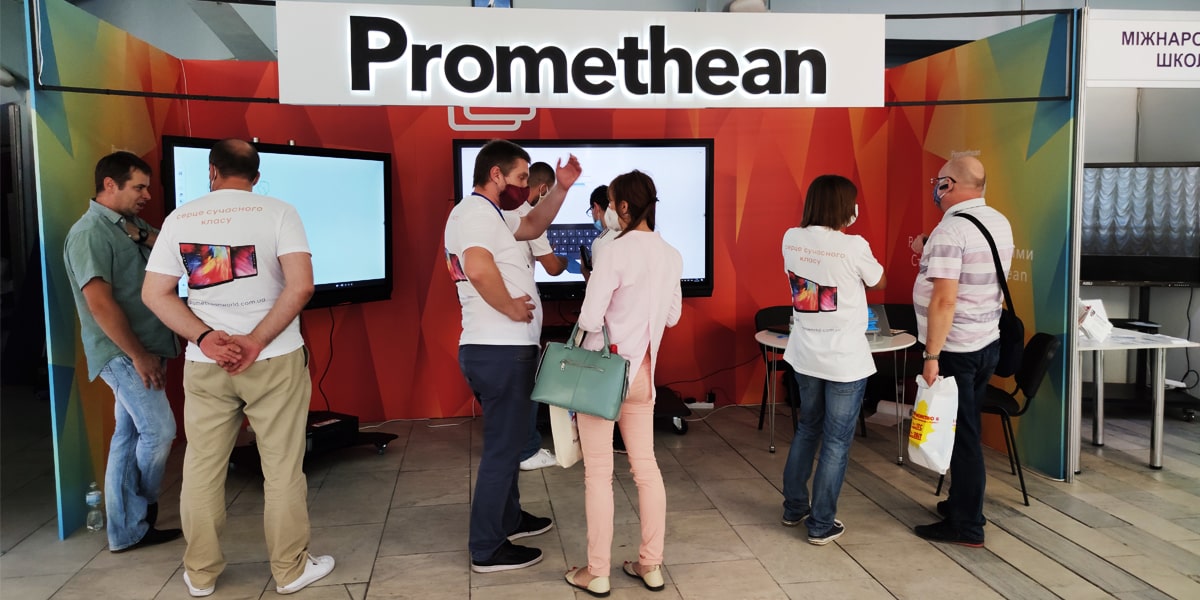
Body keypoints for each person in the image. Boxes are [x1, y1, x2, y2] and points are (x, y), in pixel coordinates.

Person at [141, 139, 335, 596]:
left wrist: (206, 338)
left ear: (211, 171)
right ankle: (290, 571)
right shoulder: (279, 212)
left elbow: (154, 293)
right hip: (274, 359)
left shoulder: (180, 218)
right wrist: (255, 340)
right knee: (282, 470)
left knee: (202, 470)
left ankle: (200, 575)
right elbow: (302, 287)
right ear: (256, 175)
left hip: (206, 363)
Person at [444, 139, 582, 573]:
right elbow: (477, 266)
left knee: (507, 443)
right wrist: (509, 307)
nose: (525, 186)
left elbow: (534, 224)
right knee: (504, 452)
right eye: (521, 177)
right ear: (496, 174)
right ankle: (487, 548)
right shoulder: (474, 214)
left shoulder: (493, 214)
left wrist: (561, 188)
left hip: (501, 350)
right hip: (498, 350)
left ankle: (509, 520)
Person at [564, 170, 681, 597]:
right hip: (644, 374)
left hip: (603, 374)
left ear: (625, 207)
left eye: (611, 203)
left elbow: (590, 318)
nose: (608, 210)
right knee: (646, 469)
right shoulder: (671, 254)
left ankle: (597, 572)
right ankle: (651, 564)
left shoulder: (613, 251)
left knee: (599, 473)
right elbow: (672, 317)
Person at [63, 151, 183, 553]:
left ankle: (126, 531)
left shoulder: (132, 225)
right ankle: (142, 506)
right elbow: (99, 305)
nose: (147, 194)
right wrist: (138, 355)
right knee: (159, 431)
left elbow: (172, 246)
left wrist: (142, 236)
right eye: (139, 187)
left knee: (127, 436)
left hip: (146, 346)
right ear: (110, 185)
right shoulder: (90, 233)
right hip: (124, 353)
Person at [778, 175, 886, 546]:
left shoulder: (791, 238)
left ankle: (794, 508)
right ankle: (821, 523)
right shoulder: (854, 245)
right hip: (844, 360)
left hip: (805, 354)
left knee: (808, 428)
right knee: (837, 441)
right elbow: (878, 279)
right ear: (845, 207)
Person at [911, 155, 1012, 548]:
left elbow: (945, 300)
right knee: (965, 430)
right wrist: (929, 247)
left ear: (948, 185)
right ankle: (958, 505)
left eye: (938, 182)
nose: (935, 189)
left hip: (955, 349)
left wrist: (931, 355)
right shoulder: (997, 221)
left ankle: (968, 525)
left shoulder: (951, 230)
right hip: (986, 342)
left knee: (964, 438)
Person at [506, 161, 565, 471]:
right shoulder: (529, 218)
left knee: (509, 389)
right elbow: (552, 267)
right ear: (543, 189)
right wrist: (567, 259)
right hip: (522, 321)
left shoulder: (498, 213)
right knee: (526, 385)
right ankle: (528, 450)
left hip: (500, 318)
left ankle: (512, 447)